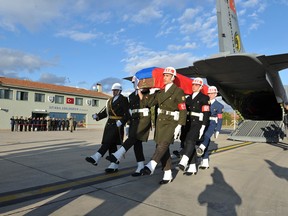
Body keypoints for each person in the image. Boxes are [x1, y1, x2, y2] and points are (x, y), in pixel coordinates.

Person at [140, 67, 187, 184]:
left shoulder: (178, 91)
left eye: (167, 75)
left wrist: (180, 125)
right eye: (164, 75)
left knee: (163, 144)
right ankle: (168, 174)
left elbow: (183, 110)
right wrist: (147, 92)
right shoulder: (160, 92)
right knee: (163, 149)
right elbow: (149, 103)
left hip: (172, 122)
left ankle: (151, 165)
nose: (164, 77)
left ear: (173, 78)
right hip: (160, 122)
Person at [106, 76, 152, 176]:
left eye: (136, 82)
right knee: (137, 144)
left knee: (132, 138)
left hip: (144, 120)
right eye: (133, 83)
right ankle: (140, 166)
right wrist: (127, 124)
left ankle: (117, 155)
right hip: (134, 121)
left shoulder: (148, 93)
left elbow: (149, 104)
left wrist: (141, 92)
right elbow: (129, 112)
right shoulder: (131, 96)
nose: (135, 84)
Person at [85, 83, 130, 173]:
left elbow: (128, 114)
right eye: (113, 90)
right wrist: (98, 116)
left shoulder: (124, 100)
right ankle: (114, 165)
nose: (114, 92)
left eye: (116, 90)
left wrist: (121, 121)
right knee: (111, 145)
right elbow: (106, 112)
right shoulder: (110, 100)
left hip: (117, 125)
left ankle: (96, 157)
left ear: (120, 91)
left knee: (107, 142)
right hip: (109, 124)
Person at [177, 77, 210, 175]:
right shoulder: (188, 98)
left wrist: (203, 126)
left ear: (200, 87)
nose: (194, 86)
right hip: (188, 123)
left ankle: (184, 161)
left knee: (191, 141)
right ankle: (192, 167)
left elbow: (206, 113)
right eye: (193, 84)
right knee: (187, 143)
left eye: (196, 85)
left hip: (197, 123)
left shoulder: (204, 98)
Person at [196, 86, 224, 169]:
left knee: (207, 136)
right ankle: (205, 161)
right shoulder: (204, 102)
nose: (210, 95)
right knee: (205, 141)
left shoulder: (219, 106)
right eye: (209, 93)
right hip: (203, 122)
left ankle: (201, 148)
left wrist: (218, 129)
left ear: (216, 94)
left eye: (212, 93)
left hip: (212, 123)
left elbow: (220, 118)